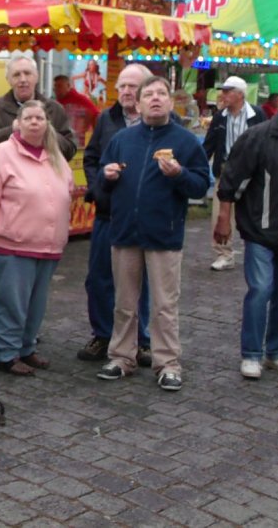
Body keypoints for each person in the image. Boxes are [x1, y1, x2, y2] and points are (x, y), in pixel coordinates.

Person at [97, 76, 211, 391]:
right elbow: (101, 181)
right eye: (148, 94)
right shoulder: (122, 139)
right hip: (124, 232)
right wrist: (106, 176)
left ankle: (167, 364)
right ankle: (122, 358)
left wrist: (180, 174)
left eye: (161, 93)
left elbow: (201, 185)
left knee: (164, 305)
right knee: (124, 302)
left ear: (170, 102)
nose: (156, 98)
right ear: (138, 103)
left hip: (164, 234)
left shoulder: (185, 141)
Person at [214, 80, 278, 380]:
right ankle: (251, 354)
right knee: (260, 290)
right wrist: (224, 217)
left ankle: (277, 352)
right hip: (260, 230)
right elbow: (232, 180)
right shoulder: (259, 137)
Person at [0, 100, 73, 375]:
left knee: (35, 305)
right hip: (11, 245)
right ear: (17, 123)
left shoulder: (55, 155)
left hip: (48, 245)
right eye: (28, 117)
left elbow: (67, 190)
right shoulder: (1, 154)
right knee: (10, 303)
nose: (34, 122)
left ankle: (26, 349)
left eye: (39, 118)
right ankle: (5, 354)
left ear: (47, 124)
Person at [78, 64, 153, 366]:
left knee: (142, 280)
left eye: (132, 86)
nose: (125, 91)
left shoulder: (162, 121)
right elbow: (91, 158)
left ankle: (141, 340)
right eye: (121, 85)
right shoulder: (106, 119)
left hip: (145, 217)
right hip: (108, 214)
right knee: (99, 278)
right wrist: (99, 188)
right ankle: (103, 334)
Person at [202, 76, 264, 271]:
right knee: (220, 214)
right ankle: (224, 254)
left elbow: (266, 142)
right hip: (226, 170)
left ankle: (256, 252)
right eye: (223, 91)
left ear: (240, 94)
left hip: (252, 172)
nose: (223, 95)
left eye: (228, 91)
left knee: (254, 213)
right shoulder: (220, 117)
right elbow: (209, 145)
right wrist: (198, 164)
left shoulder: (257, 115)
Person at [0, 54, 77, 160]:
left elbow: (69, 150)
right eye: (16, 75)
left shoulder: (54, 109)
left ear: (37, 77)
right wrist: (11, 130)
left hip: (44, 170)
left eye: (27, 73)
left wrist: (46, 132)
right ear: (8, 80)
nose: (23, 79)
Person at [53, 73, 100, 142]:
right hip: (61, 141)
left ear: (68, 86)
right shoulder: (55, 104)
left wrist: (96, 138)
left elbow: (96, 115)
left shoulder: (81, 100)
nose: (56, 89)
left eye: (59, 86)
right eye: (55, 86)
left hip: (78, 143)